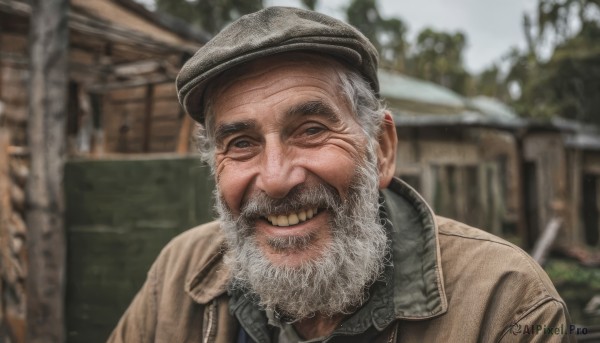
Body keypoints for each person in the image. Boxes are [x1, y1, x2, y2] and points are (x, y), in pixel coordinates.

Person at [108, 7, 572, 343]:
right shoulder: (178, 278)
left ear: (381, 149)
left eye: (311, 130)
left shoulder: (504, 303)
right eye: (242, 143)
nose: (275, 179)